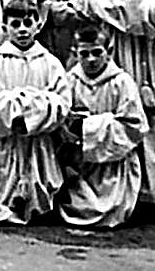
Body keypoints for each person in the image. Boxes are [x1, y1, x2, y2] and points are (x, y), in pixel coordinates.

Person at [0, 0, 70, 225]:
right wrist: (13, 113)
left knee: (42, 189)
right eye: (15, 24)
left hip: (37, 142)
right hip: (5, 141)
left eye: (28, 23)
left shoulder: (50, 63)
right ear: (5, 27)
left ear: (38, 25)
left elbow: (62, 101)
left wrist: (31, 112)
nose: (22, 30)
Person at [85, 0, 155, 201]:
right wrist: (144, 5)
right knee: (124, 109)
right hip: (119, 42)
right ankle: (127, 190)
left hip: (152, 45)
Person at [58, 23, 148, 229]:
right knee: (75, 202)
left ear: (109, 52)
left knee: (111, 207)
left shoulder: (122, 83)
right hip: (81, 163)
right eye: (84, 54)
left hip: (113, 164)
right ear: (75, 53)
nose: (91, 59)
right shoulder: (70, 81)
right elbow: (61, 119)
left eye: (97, 52)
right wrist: (70, 129)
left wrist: (89, 126)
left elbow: (134, 126)